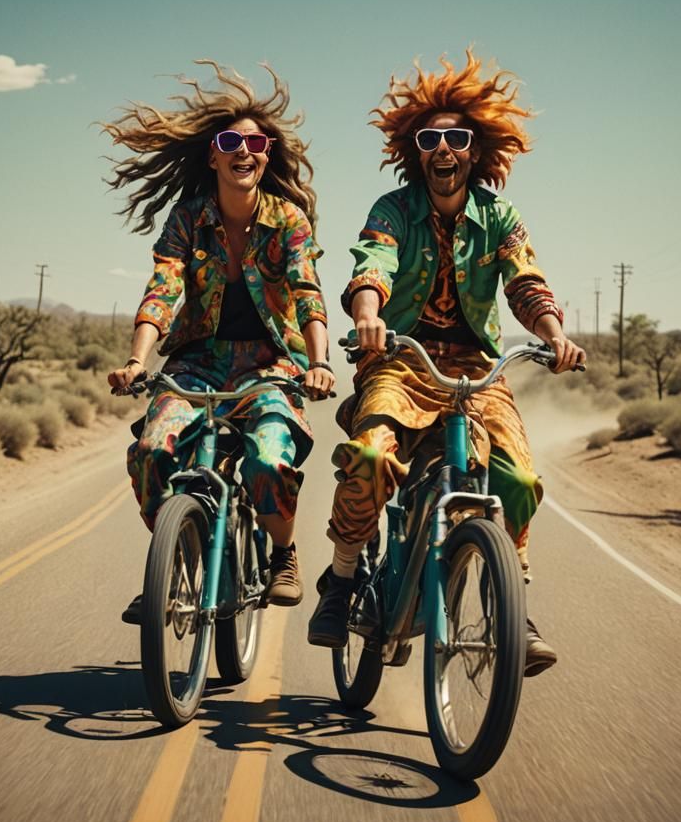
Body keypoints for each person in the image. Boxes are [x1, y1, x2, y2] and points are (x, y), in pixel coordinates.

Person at [307, 51, 585, 675]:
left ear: (475, 149)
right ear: (417, 150)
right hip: (400, 360)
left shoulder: (500, 217)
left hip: (475, 370)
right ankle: (343, 579)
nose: (443, 148)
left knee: (515, 483)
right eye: (430, 138)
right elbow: (370, 264)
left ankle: (509, 601)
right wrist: (368, 315)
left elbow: (525, 281)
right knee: (372, 457)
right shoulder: (392, 209)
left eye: (456, 138)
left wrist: (552, 332)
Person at [104, 61, 334, 623]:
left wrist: (320, 361)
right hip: (197, 363)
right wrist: (137, 359)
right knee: (153, 451)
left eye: (256, 142)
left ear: (266, 155)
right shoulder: (187, 220)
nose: (245, 150)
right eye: (231, 141)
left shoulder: (289, 221)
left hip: (271, 364)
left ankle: (283, 554)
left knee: (268, 459)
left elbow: (306, 290)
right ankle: (172, 561)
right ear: (213, 155)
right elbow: (163, 288)